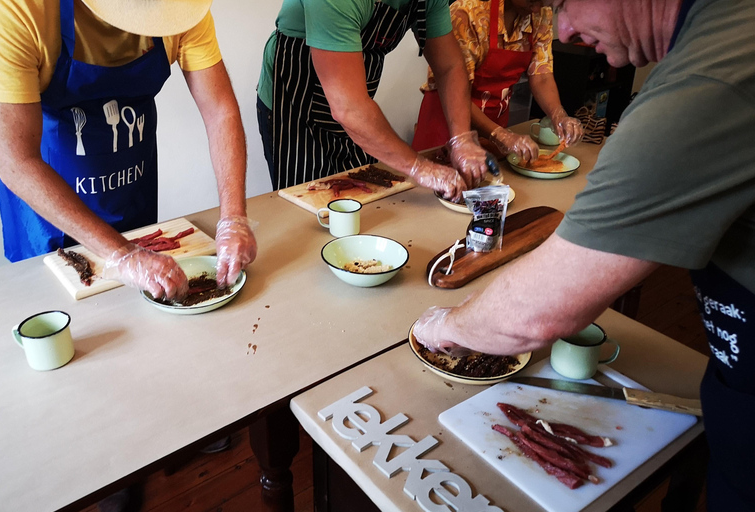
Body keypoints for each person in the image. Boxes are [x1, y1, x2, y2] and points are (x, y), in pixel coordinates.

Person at [413, 0, 755, 509]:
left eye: (567, 3)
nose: (566, 28)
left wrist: (445, 326)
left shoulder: (706, 85)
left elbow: (539, 311)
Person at [0, 0, 257, 299]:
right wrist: (122, 254)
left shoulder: (183, 7)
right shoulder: (17, 9)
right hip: (47, 205)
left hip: (131, 186)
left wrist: (233, 217)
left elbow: (219, 110)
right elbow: (16, 160)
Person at [256, 0, 492, 201]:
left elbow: (450, 67)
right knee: (308, 199)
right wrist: (419, 167)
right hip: (295, 101)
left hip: (356, 103)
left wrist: (461, 139)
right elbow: (348, 108)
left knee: (367, 190)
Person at [411, 0, 583, 163]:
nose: (537, 8)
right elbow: (453, 88)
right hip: (446, 128)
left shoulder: (540, 14)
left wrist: (558, 114)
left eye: (543, 2)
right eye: (532, 0)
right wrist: (499, 134)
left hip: (494, 128)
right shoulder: (467, 13)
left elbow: (542, 74)